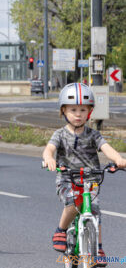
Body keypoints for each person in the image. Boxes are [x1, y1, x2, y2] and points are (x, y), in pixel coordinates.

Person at [42, 83, 126, 266]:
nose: (78, 114)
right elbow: (49, 150)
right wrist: (49, 158)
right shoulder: (60, 134)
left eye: (83, 109)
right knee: (74, 200)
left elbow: (107, 149)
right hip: (67, 179)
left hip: (91, 180)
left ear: (90, 111)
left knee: (95, 211)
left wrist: (119, 159)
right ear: (63, 110)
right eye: (73, 109)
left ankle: (99, 247)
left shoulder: (93, 134)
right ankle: (61, 229)